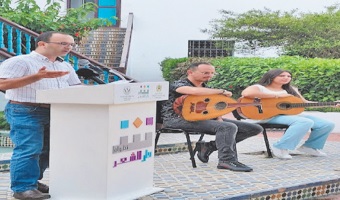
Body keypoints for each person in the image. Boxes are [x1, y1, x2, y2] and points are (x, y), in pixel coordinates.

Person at [0, 31, 81, 199]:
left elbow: (76, 87)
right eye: (63, 43)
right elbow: (3, 83)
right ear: (42, 44)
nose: (69, 47)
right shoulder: (20, 62)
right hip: (26, 110)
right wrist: (36, 77)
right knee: (29, 149)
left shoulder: (64, 65)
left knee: (47, 150)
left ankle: (33, 182)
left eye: (71, 44)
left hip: (57, 111)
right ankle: (23, 188)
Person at [161, 62, 263, 172]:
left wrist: (219, 118)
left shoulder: (206, 88)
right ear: (190, 72)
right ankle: (226, 160)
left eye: (212, 73)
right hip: (176, 119)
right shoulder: (178, 84)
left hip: (202, 118)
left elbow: (212, 106)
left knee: (254, 128)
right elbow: (193, 91)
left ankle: (209, 147)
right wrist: (221, 91)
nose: (209, 75)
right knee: (228, 127)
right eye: (205, 72)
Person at [241, 68, 339, 159]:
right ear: (271, 76)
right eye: (282, 76)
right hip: (267, 115)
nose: (286, 78)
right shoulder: (259, 87)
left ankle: (310, 146)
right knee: (304, 122)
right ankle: (280, 147)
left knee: (327, 124)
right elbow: (246, 94)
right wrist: (276, 96)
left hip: (289, 115)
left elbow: (304, 103)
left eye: (288, 76)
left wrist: (332, 104)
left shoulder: (291, 89)